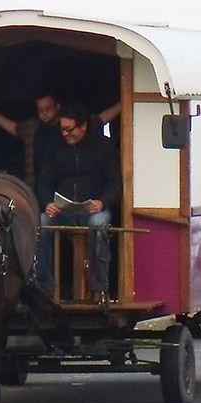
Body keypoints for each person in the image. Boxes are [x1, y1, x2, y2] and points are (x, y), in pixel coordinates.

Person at [36, 104, 122, 303]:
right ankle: (44, 287)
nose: (66, 134)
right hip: (63, 210)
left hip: (94, 209)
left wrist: (103, 201)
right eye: (63, 130)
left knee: (99, 226)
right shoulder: (55, 148)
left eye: (70, 129)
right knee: (40, 223)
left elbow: (115, 182)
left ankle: (100, 288)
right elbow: (43, 182)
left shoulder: (103, 147)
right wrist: (48, 202)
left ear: (83, 126)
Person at [0, 92, 121, 190]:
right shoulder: (33, 127)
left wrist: (124, 102)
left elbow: (100, 119)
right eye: (40, 110)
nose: (44, 113)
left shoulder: (70, 123)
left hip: (65, 187)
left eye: (48, 108)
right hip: (36, 186)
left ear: (57, 107)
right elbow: (15, 128)